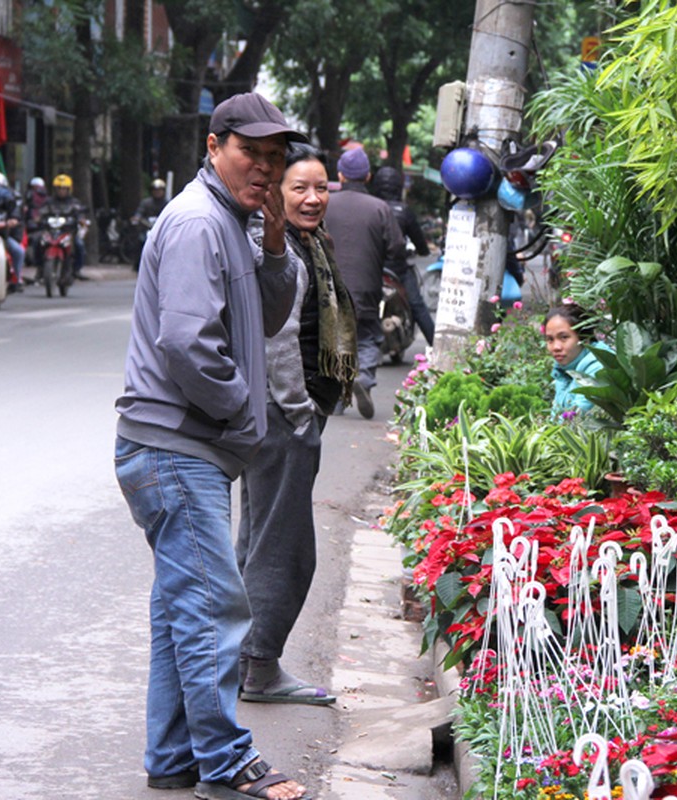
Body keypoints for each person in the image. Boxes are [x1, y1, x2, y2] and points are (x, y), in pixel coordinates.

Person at [113, 91, 310, 799]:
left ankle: (172, 758)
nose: (263, 168)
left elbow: (270, 313)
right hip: (175, 448)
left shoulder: (237, 223)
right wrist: (241, 413)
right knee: (214, 608)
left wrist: (278, 239)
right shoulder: (199, 222)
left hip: (181, 449)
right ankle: (227, 765)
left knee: (181, 610)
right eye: (249, 153)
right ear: (213, 146)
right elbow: (186, 344)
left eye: (274, 157)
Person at [236, 143, 356, 705]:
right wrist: (300, 409)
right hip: (285, 414)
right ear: (276, 197)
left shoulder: (311, 244)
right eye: (299, 188)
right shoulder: (276, 247)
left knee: (259, 536)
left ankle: (240, 658)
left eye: (321, 187)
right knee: (285, 546)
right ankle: (259, 666)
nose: (313, 198)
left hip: (277, 414)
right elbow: (278, 338)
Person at [322, 147, 403, 419]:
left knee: (334, 339)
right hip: (367, 286)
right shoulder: (380, 208)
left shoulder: (325, 202)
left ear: (340, 175)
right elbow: (396, 248)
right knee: (368, 337)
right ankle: (364, 379)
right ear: (368, 176)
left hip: (329, 286)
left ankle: (334, 399)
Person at [369, 165, 434, 345]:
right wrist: (423, 251)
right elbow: (419, 241)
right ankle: (437, 349)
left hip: (372, 268)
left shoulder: (371, 207)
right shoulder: (404, 211)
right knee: (418, 306)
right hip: (398, 270)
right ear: (398, 186)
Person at [544, 305, 606, 417]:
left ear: (584, 339)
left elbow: (576, 420)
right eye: (550, 339)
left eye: (564, 337)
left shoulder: (598, 369)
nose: (555, 347)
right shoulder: (564, 370)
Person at [38, 174, 90, 280]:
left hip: (68, 232)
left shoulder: (74, 202)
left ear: (68, 190)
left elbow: (80, 213)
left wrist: (81, 220)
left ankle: (76, 269)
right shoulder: (49, 202)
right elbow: (41, 213)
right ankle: (39, 267)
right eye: (59, 189)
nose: (61, 191)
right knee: (37, 242)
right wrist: (38, 219)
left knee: (79, 245)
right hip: (51, 231)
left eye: (64, 189)